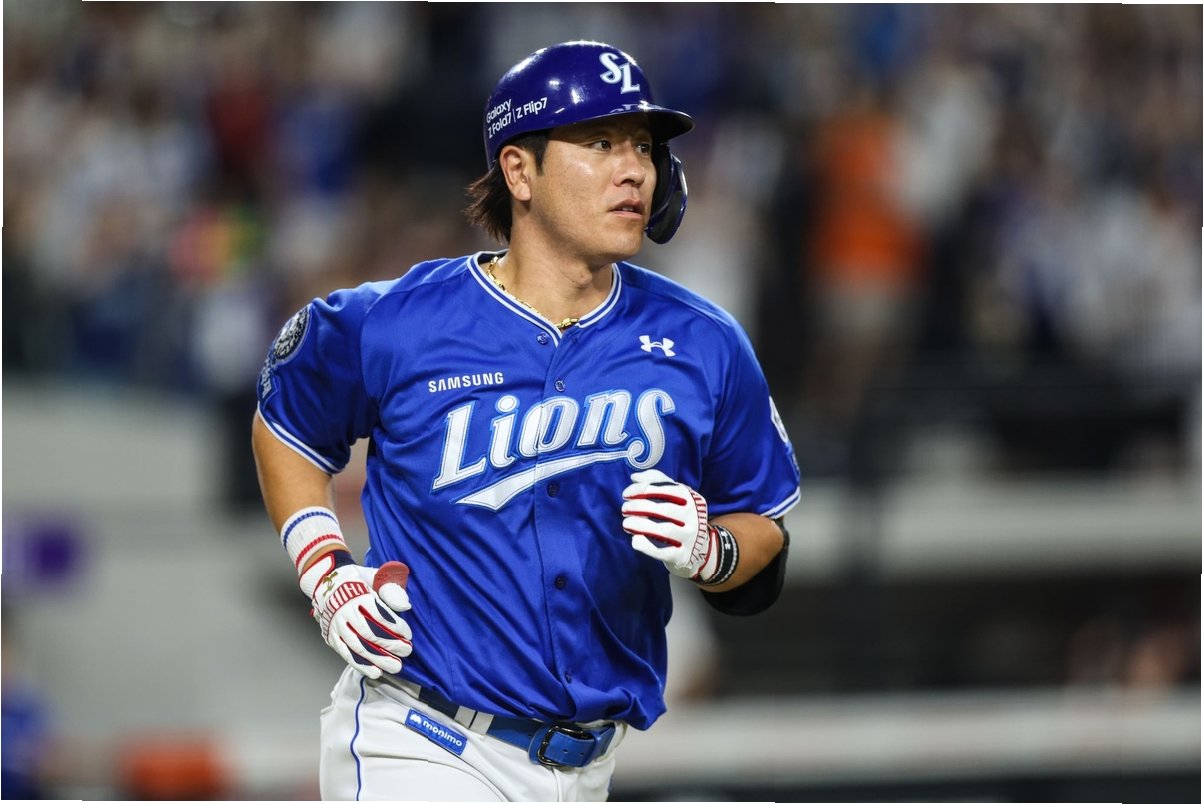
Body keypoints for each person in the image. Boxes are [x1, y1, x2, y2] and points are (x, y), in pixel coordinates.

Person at [251, 40, 800, 802]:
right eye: (600, 142)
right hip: (421, 737)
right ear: (519, 171)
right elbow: (285, 422)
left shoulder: (703, 341)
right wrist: (325, 571)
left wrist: (714, 548)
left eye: (643, 146)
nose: (634, 169)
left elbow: (765, 531)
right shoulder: (400, 321)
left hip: (588, 768)